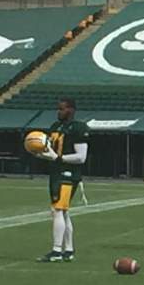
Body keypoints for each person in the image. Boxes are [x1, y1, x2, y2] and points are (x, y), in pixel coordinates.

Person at [34, 98, 90, 263]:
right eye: (58, 108)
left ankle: (57, 250)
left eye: (62, 109)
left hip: (68, 174)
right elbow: (50, 152)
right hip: (56, 173)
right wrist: (39, 152)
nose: (59, 111)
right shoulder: (55, 127)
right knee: (62, 212)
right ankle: (69, 249)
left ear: (71, 110)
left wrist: (58, 158)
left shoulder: (78, 128)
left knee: (58, 210)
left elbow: (81, 157)